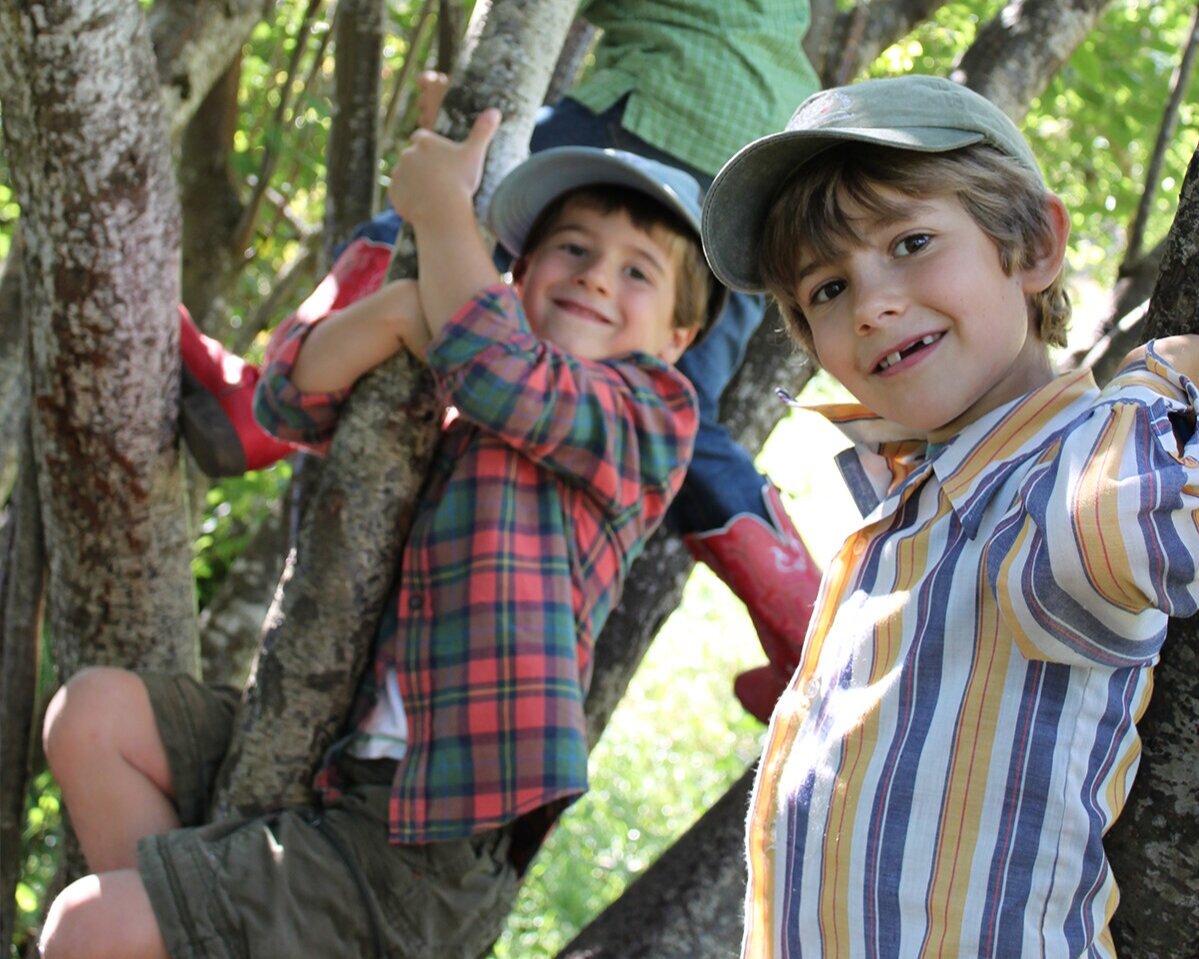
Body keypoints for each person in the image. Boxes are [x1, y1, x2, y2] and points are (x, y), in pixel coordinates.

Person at [38, 113, 725, 959]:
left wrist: (440, 215)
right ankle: (188, 925)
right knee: (93, 714)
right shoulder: (458, 381)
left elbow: (506, 373)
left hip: (430, 838)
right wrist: (402, 303)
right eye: (572, 249)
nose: (593, 279)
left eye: (637, 272)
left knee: (87, 926)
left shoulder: (648, 417)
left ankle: (166, 926)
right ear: (519, 272)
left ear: (678, 339)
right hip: (331, 748)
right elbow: (287, 400)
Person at [182, 2, 826, 723]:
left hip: (662, 100)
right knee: (681, 418)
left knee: (428, 219)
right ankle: (806, 630)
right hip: (760, 173)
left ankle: (260, 406)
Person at [700, 74, 1199, 956]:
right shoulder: (914, 500)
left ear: (1034, 244)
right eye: (823, 290)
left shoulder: (1073, 452)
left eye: (912, 241)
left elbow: (1123, 538)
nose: (870, 305)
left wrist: (1162, 375)